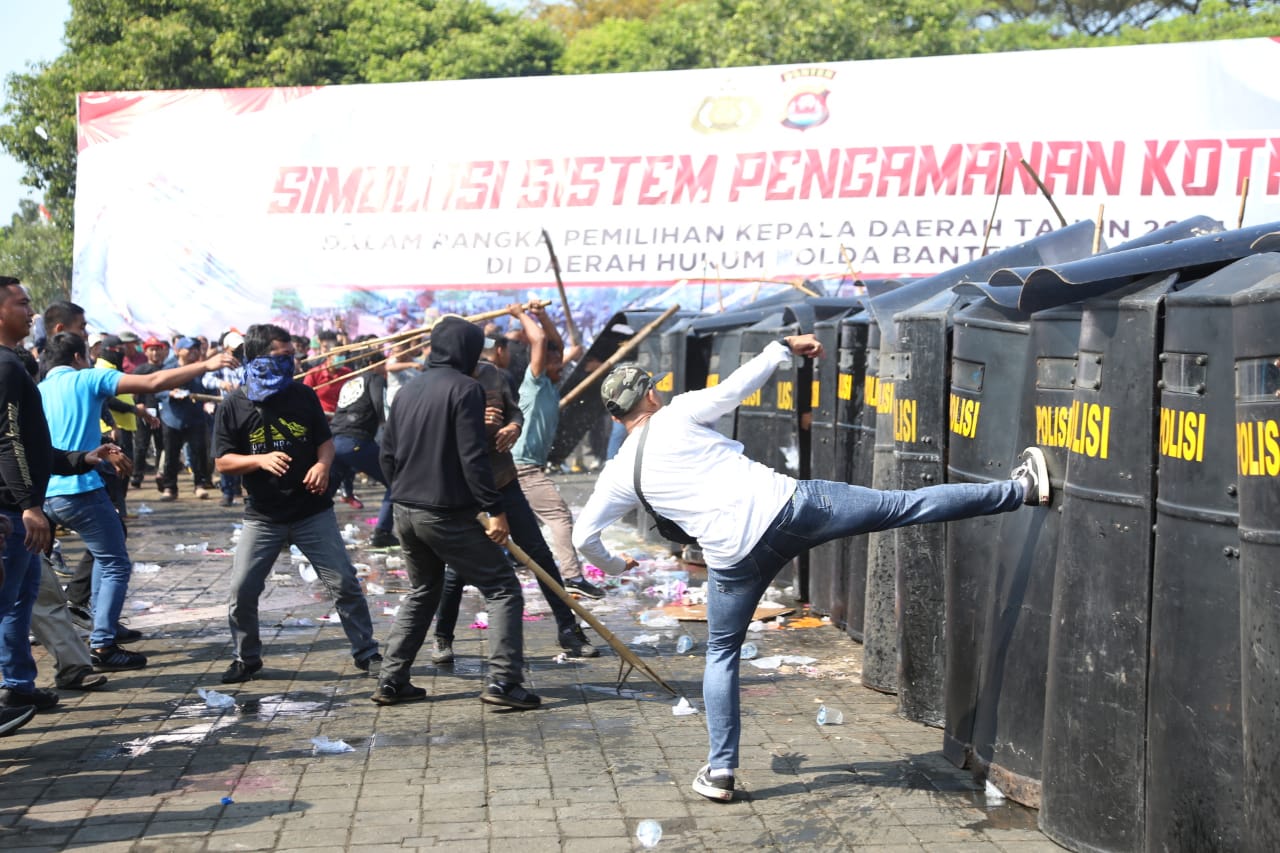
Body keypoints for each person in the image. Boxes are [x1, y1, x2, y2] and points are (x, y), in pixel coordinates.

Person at [572, 335, 1051, 803]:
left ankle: (721, 772)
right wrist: (781, 350)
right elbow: (739, 386)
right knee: (902, 506)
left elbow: (582, 538)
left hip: (734, 561)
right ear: (650, 394)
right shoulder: (677, 414)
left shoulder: (618, 474)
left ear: (616, 415)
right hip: (793, 510)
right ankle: (1021, 492)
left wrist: (615, 564)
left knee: (721, 654)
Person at [40, 327, 238, 671]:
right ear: (78, 357)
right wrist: (205, 366)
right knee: (115, 561)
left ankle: (104, 624)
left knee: (102, 553)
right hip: (80, 489)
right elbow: (153, 382)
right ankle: (102, 645)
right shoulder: (87, 378)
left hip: (45, 494)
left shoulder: (39, 390)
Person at [375, 315, 539, 710]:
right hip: (444, 512)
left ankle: (392, 680)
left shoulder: (408, 390)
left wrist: (403, 490)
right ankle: (504, 683)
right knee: (502, 588)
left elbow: (386, 454)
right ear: (464, 350)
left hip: (405, 510)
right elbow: (473, 456)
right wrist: (494, 509)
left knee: (423, 589)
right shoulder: (466, 389)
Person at [212, 324, 381, 684]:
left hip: (312, 512)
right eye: (281, 357)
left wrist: (322, 465)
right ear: (257, 360)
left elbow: (326, 442)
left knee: (345, 583)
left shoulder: (303, 396)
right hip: (263, 516)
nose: (291, 363)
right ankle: (247, 658)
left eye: (292, 356)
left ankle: (367, 652)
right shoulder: (234, 405)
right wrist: (258, 461)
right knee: (242, 591)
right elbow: (223, 461)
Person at [431, 310, 599, 664]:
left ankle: (569, 631)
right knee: (457, 569)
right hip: (466, 490)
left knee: (540, 556)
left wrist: (513, 427)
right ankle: (442, 638)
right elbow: (445, 437)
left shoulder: (495, 375)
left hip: (504, 481)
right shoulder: (443, 384)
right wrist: (478, 423)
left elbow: (515, 412)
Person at [0, 278, 118, 712]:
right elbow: (8, 441)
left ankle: (18, 685)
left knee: (21, 600)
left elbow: (30, 444)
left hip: (19, 510)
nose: (31, 312)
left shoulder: (14, 364)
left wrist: (79, 458)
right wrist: (30, 507)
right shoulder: (6, 367)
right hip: (12, 513)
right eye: (21, 304)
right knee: (6, 601)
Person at [508, 303, 604, 599]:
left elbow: (555, 344)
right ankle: (573, 577)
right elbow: (539, 342)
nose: (560, 366)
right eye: (554, 362)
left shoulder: (550, 383)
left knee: (523, 521)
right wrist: (521, 315)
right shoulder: (534, 382)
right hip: (522, 467)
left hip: (523, 466)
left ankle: (512, 557)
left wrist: (544, 316)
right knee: (560, 516)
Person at [328, 336, 396, 548]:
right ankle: (382, 531)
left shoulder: (350, 381)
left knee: (325, 492)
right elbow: (381, 408)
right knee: (396, 482)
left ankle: (299, 529)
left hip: (335, 441)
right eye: (382, 365)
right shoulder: (373, 379)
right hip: (356, 441)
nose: (385, 369)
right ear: (371, 364)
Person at [157, 337, 214, 501]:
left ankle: (200, 485)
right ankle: (170, 488)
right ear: (179, 351)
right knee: (171, 455)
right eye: (190, 349)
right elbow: (157, 390)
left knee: (198, 452)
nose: (194, 352)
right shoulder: (168, 369)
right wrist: (170, 393)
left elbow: (208, 389)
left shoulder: (200, 369)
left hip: (195, 417)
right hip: (172, 417)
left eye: (196, 348)